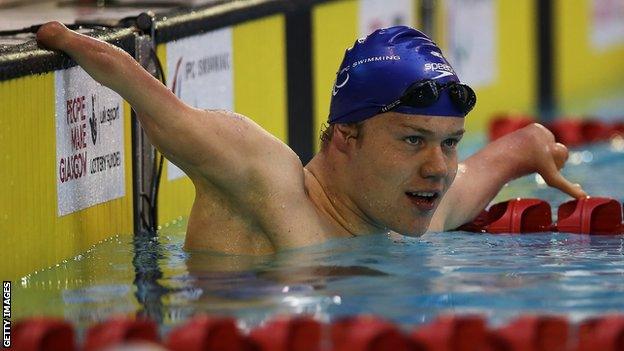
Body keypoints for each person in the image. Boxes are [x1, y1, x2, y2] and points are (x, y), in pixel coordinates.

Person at [36, 23, 586, 255]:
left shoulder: (416, 211)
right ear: (344, 137)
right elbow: (159, 106)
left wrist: (529, 145)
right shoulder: (265, 187)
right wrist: (62, 39)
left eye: (449, 142)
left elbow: (484, 168)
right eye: (413, 140)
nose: (439, 169)